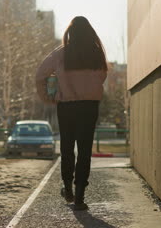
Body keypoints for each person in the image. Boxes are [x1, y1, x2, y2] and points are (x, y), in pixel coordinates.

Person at [35, 16, 108, 211]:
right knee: (85, 150)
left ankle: (68, 188)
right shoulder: (97, 53)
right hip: (89, 106)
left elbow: (40, 75)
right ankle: (80, 197)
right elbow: (103, 75)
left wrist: (48, 97)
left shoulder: (61, 53)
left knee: (67, 148)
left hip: (66, 106)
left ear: (70, 33)